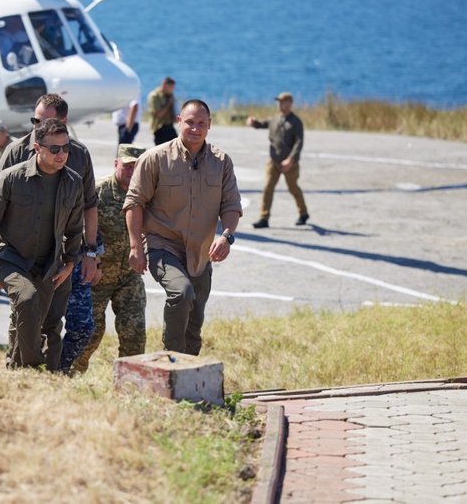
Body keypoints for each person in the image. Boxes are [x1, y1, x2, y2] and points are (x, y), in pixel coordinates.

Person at [0, 118, 84, 369]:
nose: (62, 154)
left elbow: (74, 228)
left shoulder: (73, 182)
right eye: (54, 149)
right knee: (27, 300)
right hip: (11, 258)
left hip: (50, 263)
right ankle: (31, 365)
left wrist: (70, 263)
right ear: (37, 148)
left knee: (36, 319)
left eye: (66, 147)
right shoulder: (11, 178)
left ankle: (17, 368)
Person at [124, 99, 242, 355]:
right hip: (162, 246)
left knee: (194, 325)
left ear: (209, 126)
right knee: (182, 292)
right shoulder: (155, 158)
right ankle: (171, 360)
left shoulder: (221, 162)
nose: (195, 128)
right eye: (190, 122)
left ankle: (191, 379)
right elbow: (134, 202)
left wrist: (226, 237)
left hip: (200, 254)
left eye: (201, 123)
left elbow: (231, 205)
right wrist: (136, 246)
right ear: (179, 121)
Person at [0, 93, 99, 373]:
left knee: (56, 319)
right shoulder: (16, 152)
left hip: (62, 254)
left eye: (44, 122)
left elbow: (90, 206)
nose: (36, 128)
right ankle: (18, 368)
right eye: (34, 120)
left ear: (63, 123)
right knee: (24, 310)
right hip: (18, 253)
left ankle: (52, 374)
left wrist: (89, 254)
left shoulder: (79, 156)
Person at [72, 144, 148, 374]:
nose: (132, 172)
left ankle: (131, 383)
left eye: (137, 167)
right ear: (116, 164)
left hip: (128, 277)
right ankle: (71, 374)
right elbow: (79, 229)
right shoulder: (98, 192)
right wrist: (90, 260)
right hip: (97, 276)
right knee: (90, 333)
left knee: (134, 333)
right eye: (127, 166)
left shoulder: (149, 193)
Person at [246, 92, 309, 228]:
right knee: (267, 188)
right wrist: (253, 122)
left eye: (282, 102)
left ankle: (303, 213)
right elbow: (262, 124)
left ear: (290, 103)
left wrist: (291, 160)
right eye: (278, 101)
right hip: (273, 161)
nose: (279, 104)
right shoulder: (274, 119)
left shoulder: (296, 122)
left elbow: (299, 143)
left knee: (293, 189)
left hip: (289, 163)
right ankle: (264, 218)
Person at [147, 76, 177, 145]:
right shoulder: (154, 96)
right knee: (161, 152)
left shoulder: (169, 95)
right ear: (164, 85)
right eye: (171, 88)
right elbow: (159, 114)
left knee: (176, 147)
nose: (172, 90)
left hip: (170, 126)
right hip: (159, 127)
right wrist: (168, 104)